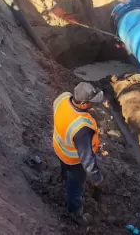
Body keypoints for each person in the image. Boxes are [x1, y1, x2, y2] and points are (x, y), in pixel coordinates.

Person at [52, 82, 104, 222]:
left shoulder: (63, 98)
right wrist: (96, 176)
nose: (92, 105)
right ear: (82, 103)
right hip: (74, 160)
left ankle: (63, 178)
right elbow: (87, 159)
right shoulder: (81, 127)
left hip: (60, 146)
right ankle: (74, 211)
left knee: (64, 169)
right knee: (75, 186)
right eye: (91, 103)